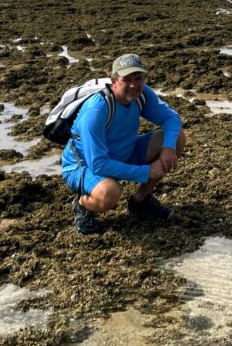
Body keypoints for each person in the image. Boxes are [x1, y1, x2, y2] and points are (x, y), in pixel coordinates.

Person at [61, 53, 185, 234]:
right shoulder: (96, 110)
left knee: (176, 138)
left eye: (139, 78)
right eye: (127, 79)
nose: (134, 85)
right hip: (84, 167)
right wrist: (146, 172)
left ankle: (140, 201)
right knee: (109, 193)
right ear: (114, 80)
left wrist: (168, 148)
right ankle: (82, 205)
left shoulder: (142, 94)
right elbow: (99, 164)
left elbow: (171, 118)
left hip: (126, 152)